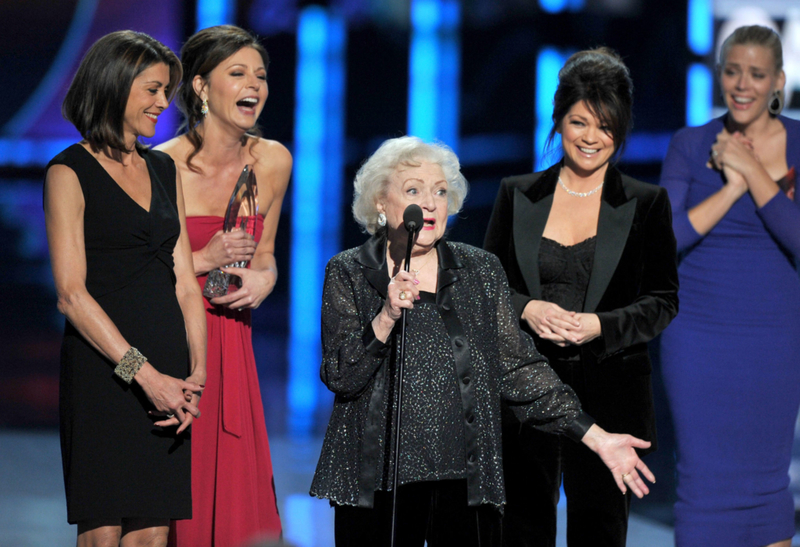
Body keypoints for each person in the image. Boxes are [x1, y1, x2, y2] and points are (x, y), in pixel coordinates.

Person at [309, 136, 656, 547]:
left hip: (465, 480)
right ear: (381, 204)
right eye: (414, 191)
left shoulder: (480, 271)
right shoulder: (348, 271)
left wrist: (596, 436)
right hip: (378, 480)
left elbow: (518, 368)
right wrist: (385, 317)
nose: (432, 204)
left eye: (440, 191)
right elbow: (341, 375)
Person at [484, 48, 679, 547]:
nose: (591, 138)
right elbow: (484, 290)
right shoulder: (517, 194)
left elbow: (663, 300)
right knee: (521, 529)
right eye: (579, 122)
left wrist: (600, 325)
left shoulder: (645, 203)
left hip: (611, 395)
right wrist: (527, 307)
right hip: (525, 389)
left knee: (601, 530)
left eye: (606, 126)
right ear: (558, 118)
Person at [44, 31, 206, 546]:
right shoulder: (69, 172)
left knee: (153, 535)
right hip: (107, 374)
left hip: (170, 374)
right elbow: (71, 295)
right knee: (104, 532)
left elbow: (184, 283)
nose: (164, 103)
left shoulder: (163, 167)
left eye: (166, 92)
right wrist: (146, 376)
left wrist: (196, 371)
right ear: (115, 86)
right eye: (153, 90)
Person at [659, 25, 800, 547]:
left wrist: (750, 170)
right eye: (733, 71)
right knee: (703, 480)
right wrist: (733, 185)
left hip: (775, 338)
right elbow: (666, 237)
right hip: (698, 338)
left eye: (756, 74)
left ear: (777, 81)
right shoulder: (690, 144)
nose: (743, 84)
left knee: (767, 481)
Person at [157, 25, 290, 546]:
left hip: (234, 345)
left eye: (259, 74)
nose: (253, 84)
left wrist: (263, 279)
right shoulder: (159, 165)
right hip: (174, 345)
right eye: (237, 73)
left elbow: (268, 257)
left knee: (238, 507)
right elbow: (133, 278)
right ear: (200, 86)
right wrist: (203, 258)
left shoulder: (273, 160)